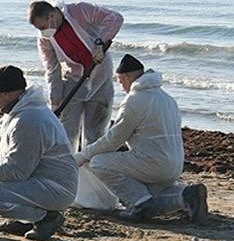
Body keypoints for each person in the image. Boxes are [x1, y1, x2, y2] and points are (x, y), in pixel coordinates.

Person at [74, 55, 208, 222]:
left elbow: (113, 140)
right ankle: (185, 195)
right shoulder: (167, 98)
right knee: (148, 191)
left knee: (99, 162)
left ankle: (140, 204)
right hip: (174, 165)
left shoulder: (135, 100)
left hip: (153, 163)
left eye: (121, 81)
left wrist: (83, 155)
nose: (121, 86)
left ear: (128, 77)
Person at [0, 65, 78, 240]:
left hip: (55, 187)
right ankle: (25, 218)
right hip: (38, 179)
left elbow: (15, 172)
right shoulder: (17, 111)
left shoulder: (28, 120)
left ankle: (46, 217)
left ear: (8, 94)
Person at [28, 0, 124, 150]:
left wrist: (100, 43)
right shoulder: (45, 39)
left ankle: (91, 170)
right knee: (66, 133)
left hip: (100, 76)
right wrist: (56, 100)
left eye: (44, 27)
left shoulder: (80, 11)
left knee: (95, 134)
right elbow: (52, 68)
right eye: (39, 29)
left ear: (52, 16)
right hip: (73, 82)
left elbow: (115, 18)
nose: (43, 32)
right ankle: (68, 168)